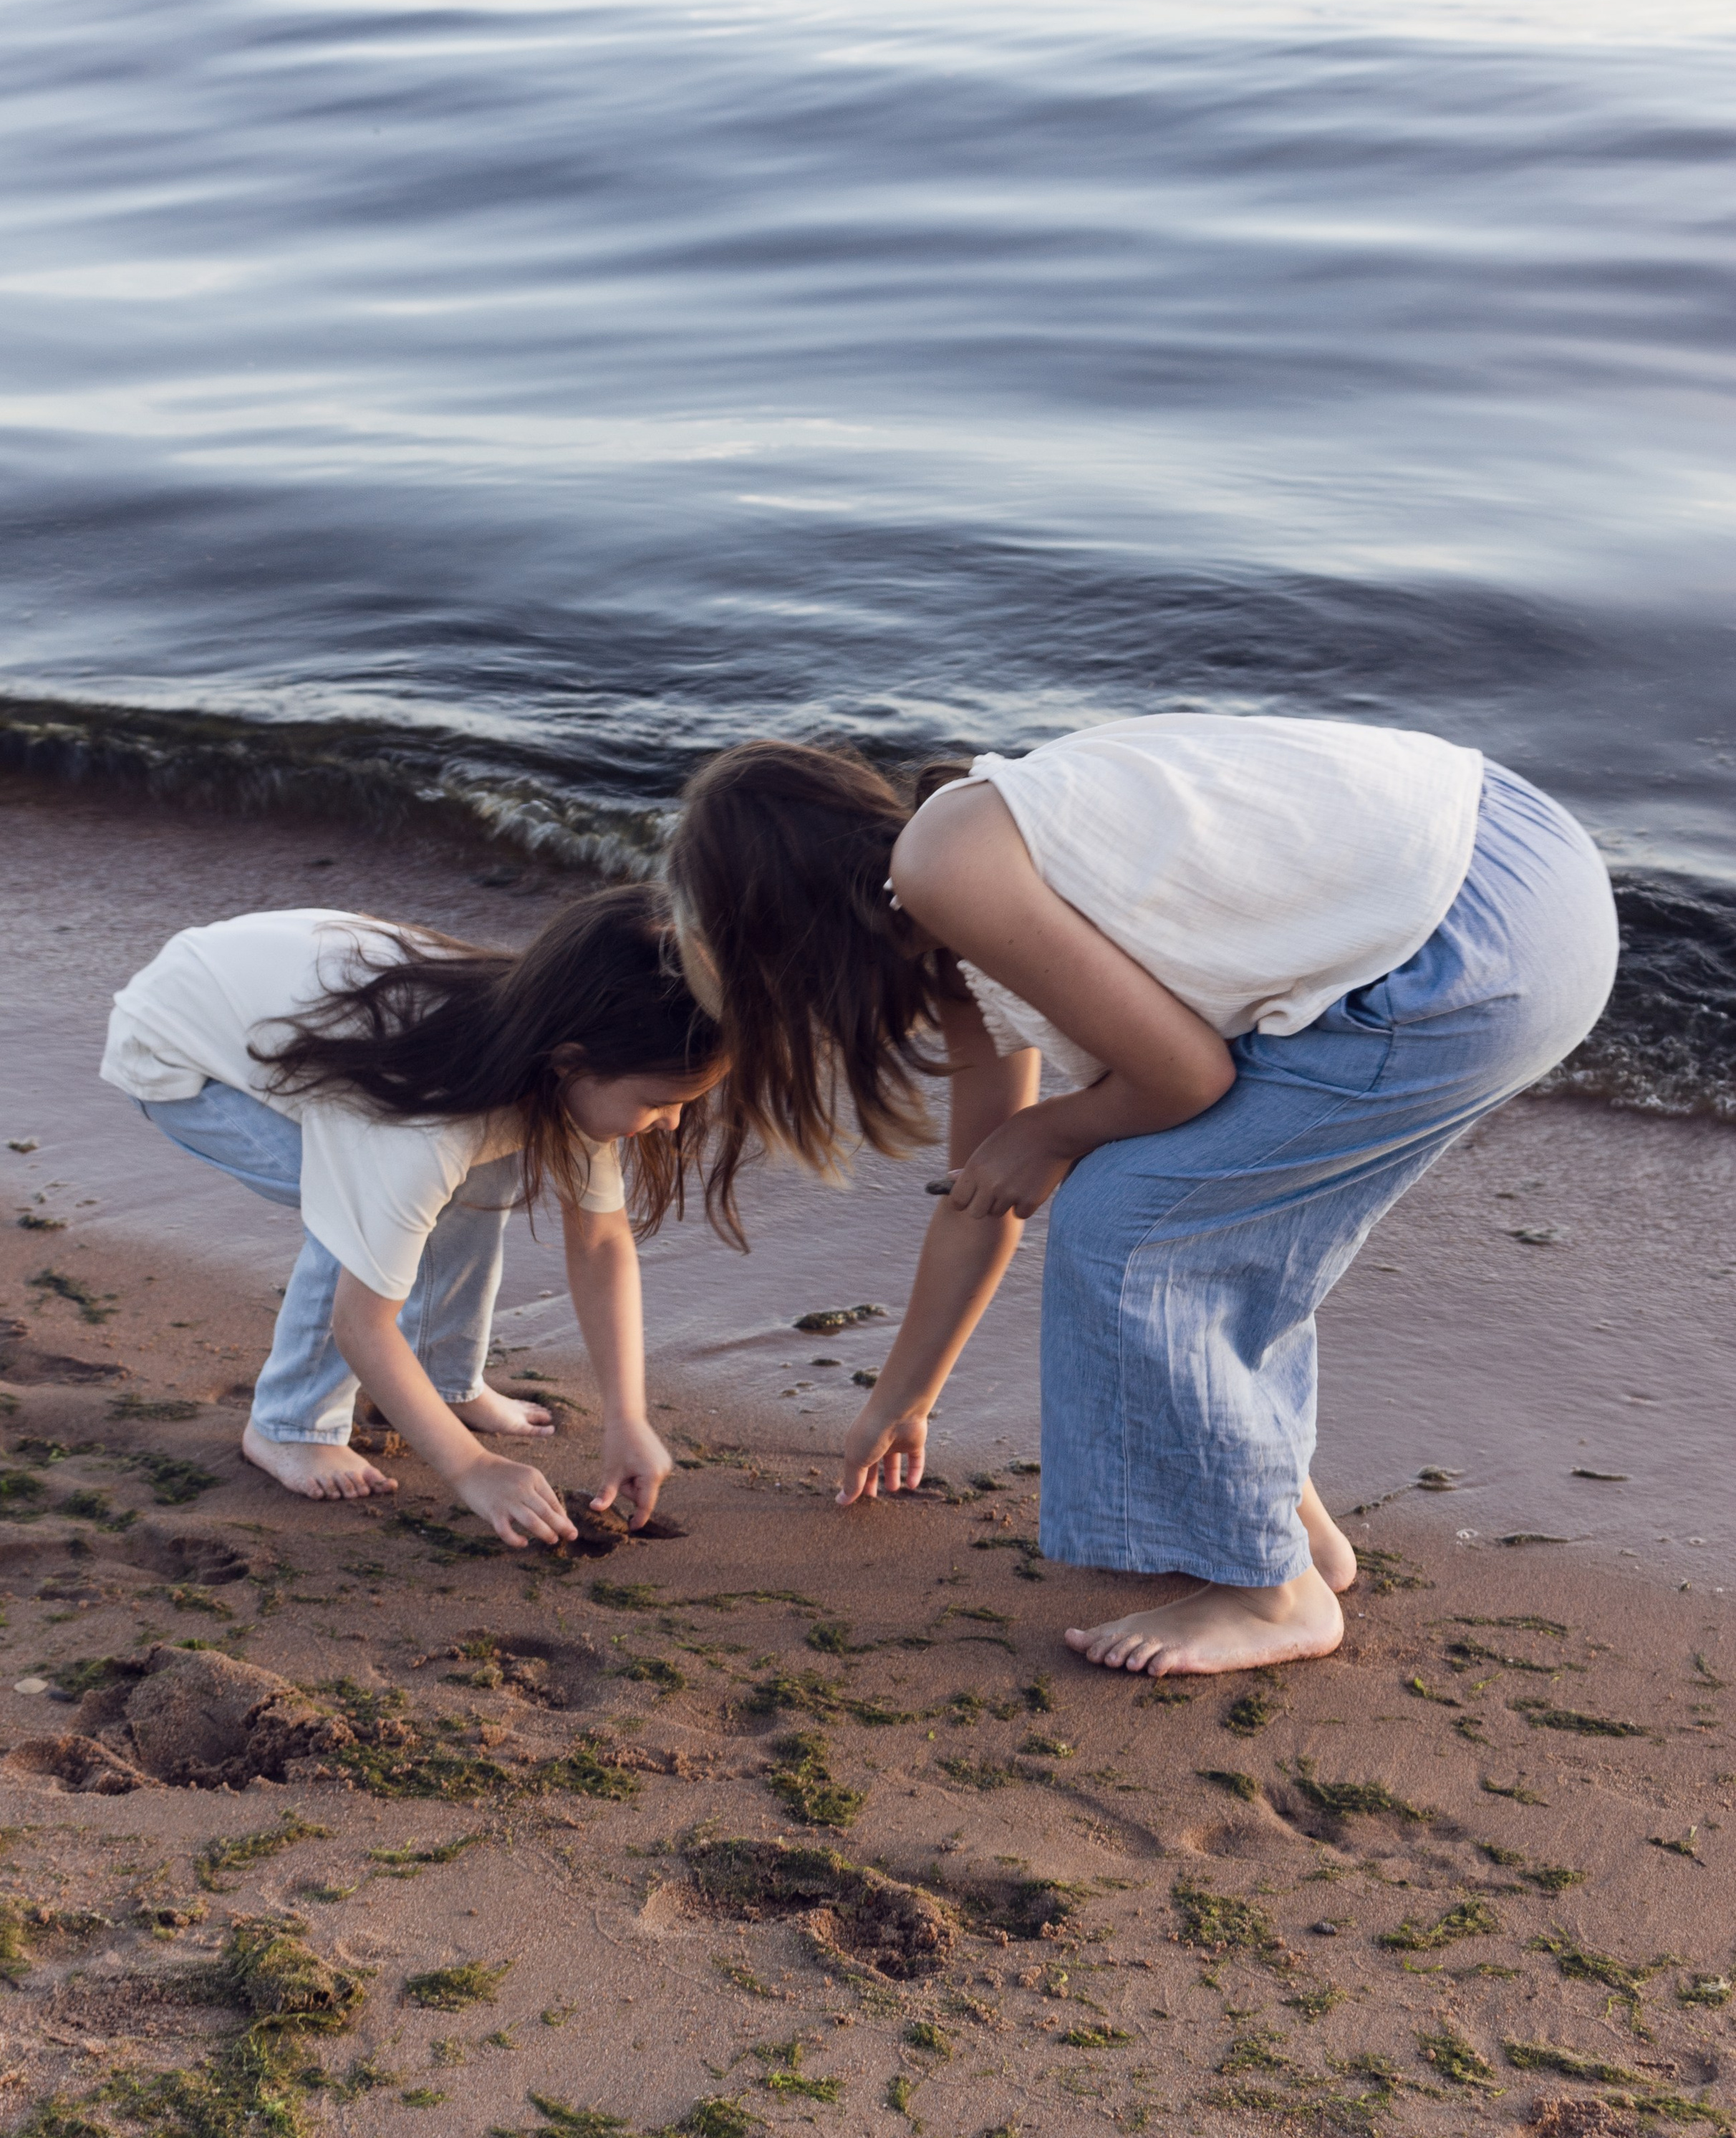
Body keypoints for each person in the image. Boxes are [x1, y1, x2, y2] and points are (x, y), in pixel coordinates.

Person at [667, 717, 1617, 1677]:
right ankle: (1295, 1545)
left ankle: (1271, 1598)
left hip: (1471, 942)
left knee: (1131, 1229)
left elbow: (1186, 1078)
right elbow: (980, 1192)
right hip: (1516, 859)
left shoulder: (945, 866)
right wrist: (902, 1401)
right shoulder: (960, 902)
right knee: (1204, 1221)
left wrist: (1052, 1132)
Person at [100, 884, 728, 1551]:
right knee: (361, 1221)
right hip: (180, 1049)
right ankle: (289, 1425)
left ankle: (442, 1379)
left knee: (467, 1175)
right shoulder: (420, 1130)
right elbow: (360, 1321)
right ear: (573, 1061)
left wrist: (626, 1416)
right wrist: (472, 1468)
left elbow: (601, 1243)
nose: (674, 1121)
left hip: (282, 1007)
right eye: (661, 1100)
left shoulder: (551, 1057)